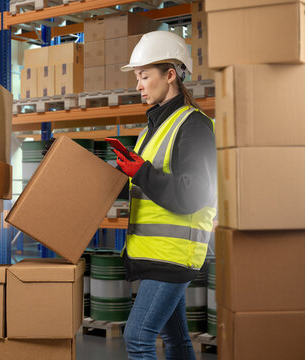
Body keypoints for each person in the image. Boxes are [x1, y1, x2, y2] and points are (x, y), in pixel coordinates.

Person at [113, 31, 217, 360]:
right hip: (157, 254)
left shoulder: (194, 125)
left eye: (144, 76)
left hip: (173, 255)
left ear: (170, 75)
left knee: (138, 336)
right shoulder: (152, 129)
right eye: (137, 78)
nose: (139, 85)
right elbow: (144, 183)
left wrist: (140, 171)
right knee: (176, 340)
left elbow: (194, 193)